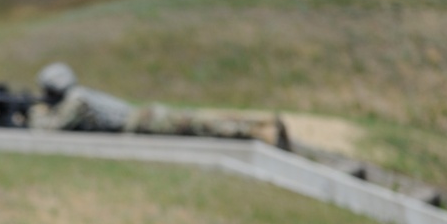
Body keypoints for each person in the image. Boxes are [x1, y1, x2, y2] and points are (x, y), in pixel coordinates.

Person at [27, 62, 291, 150]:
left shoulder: (76, 99)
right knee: (199, 122)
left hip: (143, 120)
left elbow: (53, 128)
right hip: (146, 115)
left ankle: (259, 131)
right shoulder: (79, 94)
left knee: (201, 125)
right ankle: (258, 126)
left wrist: (30, 114)